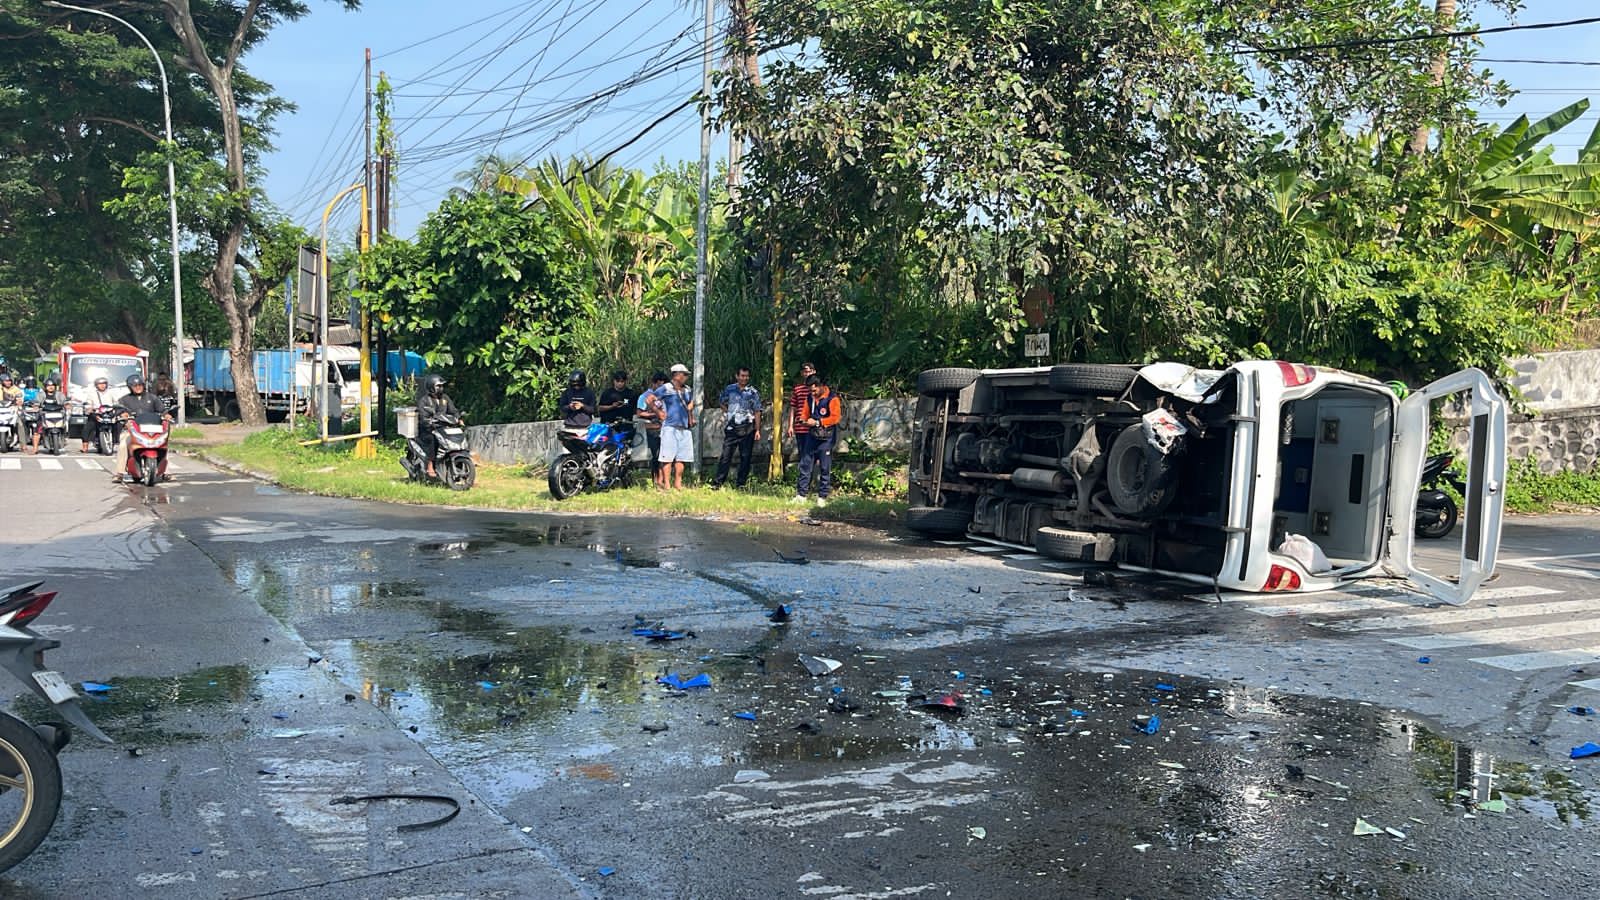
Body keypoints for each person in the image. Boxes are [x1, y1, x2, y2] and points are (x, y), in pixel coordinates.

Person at [793, 373, 841, 507]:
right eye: (810, 390)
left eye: (814, 390)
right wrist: (803, 419)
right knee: (805, 464)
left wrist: (818, 422)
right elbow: (805, 412)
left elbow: (836, 418)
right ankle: (801, 495)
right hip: (812, 436)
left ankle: (822, 497)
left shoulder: (832, 399)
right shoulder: (810, 398)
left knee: (825, 467)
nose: (812, 392)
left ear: (821, 386)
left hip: (826, 437)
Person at [712, 366, 762, 489]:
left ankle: (741, 483)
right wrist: (729, 413)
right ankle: (718, 482)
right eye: (742, 376)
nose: (744, 378)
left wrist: (757, 429)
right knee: (725, 456)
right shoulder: (730, 389)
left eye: (746, 376)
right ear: (737, 376)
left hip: (748, 427)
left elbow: (757, 411)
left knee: (745, 457)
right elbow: (722, 402)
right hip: (732, 428)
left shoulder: (752, 392)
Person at [113, 374, 169, 482]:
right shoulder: (124, 400)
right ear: (130, 387)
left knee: (164, 444)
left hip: (152, 429)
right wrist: (123, 415)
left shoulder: (152, 398)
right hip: (132, 430)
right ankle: (119, 473)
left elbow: (163, 410)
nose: (138, 387)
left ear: (144, 385)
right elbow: (119, 411)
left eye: (140, 385)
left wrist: (167, 415)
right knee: (123, 444)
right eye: (134, 385)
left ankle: (166, 472)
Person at [649, 363, 696, 490]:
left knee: (682, 457)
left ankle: (678, 483)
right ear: (676, 375)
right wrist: (658, 412)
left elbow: (690, 403)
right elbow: (650, 399)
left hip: (684, 427)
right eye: (684, 374)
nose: (686, 377)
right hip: (669, 426)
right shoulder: (666, 388)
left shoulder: (687, 389)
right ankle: (667, 484)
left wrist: (691, 417)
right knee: (667, 457)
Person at [415, 373, 461, 479]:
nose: (441, 388)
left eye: (442, 386)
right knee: (433, 440)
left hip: (443, 428)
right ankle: (430, 466)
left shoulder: (445, 398)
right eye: (438, 386)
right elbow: (423, 416)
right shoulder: (424, 400)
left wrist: (458, 418)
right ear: (431, 387)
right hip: (428, 429)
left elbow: (453, 410)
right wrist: (429, 422)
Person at [635, 371, 667, 485]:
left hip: (665, 428)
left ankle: (663, 479)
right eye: (658, 385)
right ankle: (656, 480)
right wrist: (656, 414)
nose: (660, 387)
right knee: (656, 455)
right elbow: (640, 413)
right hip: (652, 429)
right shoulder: (644, 396)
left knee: (665, 456)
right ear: (653, 384)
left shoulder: (665, 396)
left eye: (663, 385)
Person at [81, 375, 121, 452]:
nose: (102, 385)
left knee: (118, 424)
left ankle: (116, 441)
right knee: (87, 427)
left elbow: (117, 402)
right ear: (96, 385)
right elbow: (88, 403)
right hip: (97, 413)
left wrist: (117, 407)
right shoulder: (92, 394)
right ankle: (85, 446)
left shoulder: (111, 393)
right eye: (100, 384)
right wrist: (89, 408)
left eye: (104, 383)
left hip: (109, 413)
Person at [790, 360, 816, 470]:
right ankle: (804, 482)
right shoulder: (798, 389)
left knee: (813, 454)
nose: (807, 374)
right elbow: (793, 408)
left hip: (813, 427)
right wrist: (790, 426)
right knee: (803, 455)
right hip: (800, 428)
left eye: (809, 371)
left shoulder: (818, 389)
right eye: (805, 372)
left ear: (814, 372)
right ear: (802, 373)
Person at [27, 375, 63, 454]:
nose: (51, 387)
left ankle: (63, 438)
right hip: (44, 415)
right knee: (37, 431)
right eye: (49, 386)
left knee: (65, 426)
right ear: (45, 387)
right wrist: (36, 405)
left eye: (52, 385)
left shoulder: (59, 394)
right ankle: (35, 448)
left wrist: (67, 404)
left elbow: (65, 401)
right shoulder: (41, 394)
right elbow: (36, 402)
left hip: (58, 415)